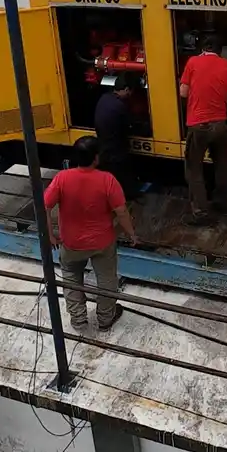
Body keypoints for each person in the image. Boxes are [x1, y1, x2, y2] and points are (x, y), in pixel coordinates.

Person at [43, 135, 132, 330]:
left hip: (71, 243)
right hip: (102, 243)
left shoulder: (62, 178)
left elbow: (44, 207)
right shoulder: (107, 180)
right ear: (96, 158)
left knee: (70, 275)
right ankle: (105, 318)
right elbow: (122, 212)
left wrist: (49, 234)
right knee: (106, 279)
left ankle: (78, 319)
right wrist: (131, 234)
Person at [178, 33, 227, 224]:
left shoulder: (193, 62)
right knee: (222, 164)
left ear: (203, 49)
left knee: (194, 168)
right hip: (221, 124)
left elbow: (183, 92)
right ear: (220, 51)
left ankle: (201, 213)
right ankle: (222, 203)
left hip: (199, 124)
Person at [92, 75, 139, 202]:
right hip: (115, 151)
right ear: (127, 89)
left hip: (103, 147)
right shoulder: (120, 106)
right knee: (124, 174)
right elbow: (130, 126)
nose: (131, 95)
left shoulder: (104, 98)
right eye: (131, 91)